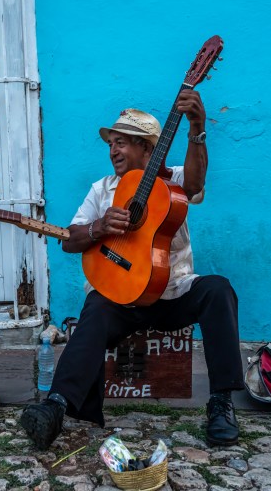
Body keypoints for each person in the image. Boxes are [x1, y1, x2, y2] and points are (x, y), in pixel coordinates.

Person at [20, 90, 244, 448]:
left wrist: (197, 127)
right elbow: (68, 239)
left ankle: (221, 403)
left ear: (148, 150)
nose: (113, 150)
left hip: (171, 292)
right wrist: (99, 227)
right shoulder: (102, 189)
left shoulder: (174, 183)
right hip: (121, 300)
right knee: (94, 307)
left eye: (122, 143)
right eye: (112, 143)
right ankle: (55, 407)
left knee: (218, 289)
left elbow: (197, 183)